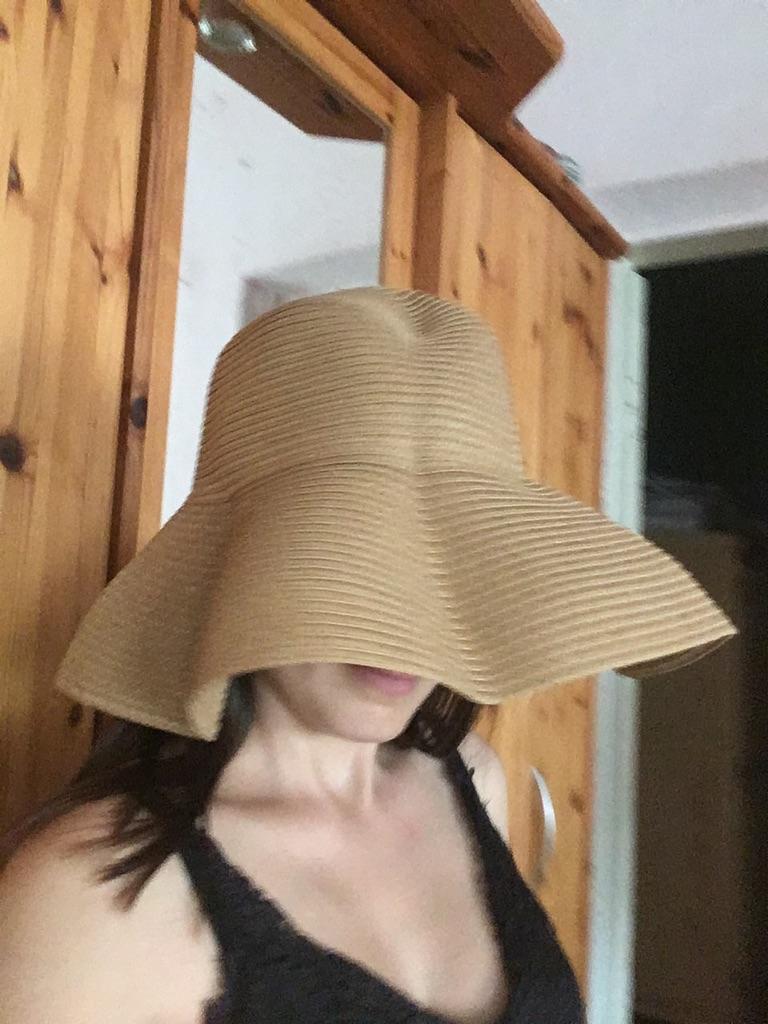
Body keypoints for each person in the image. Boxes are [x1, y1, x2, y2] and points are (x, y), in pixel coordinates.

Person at [0, 288, 734, 1024]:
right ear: (240, 562)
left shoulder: (474, 779)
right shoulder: (94, 895)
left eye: (449, 557)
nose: (404, 624)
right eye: (354, 562)